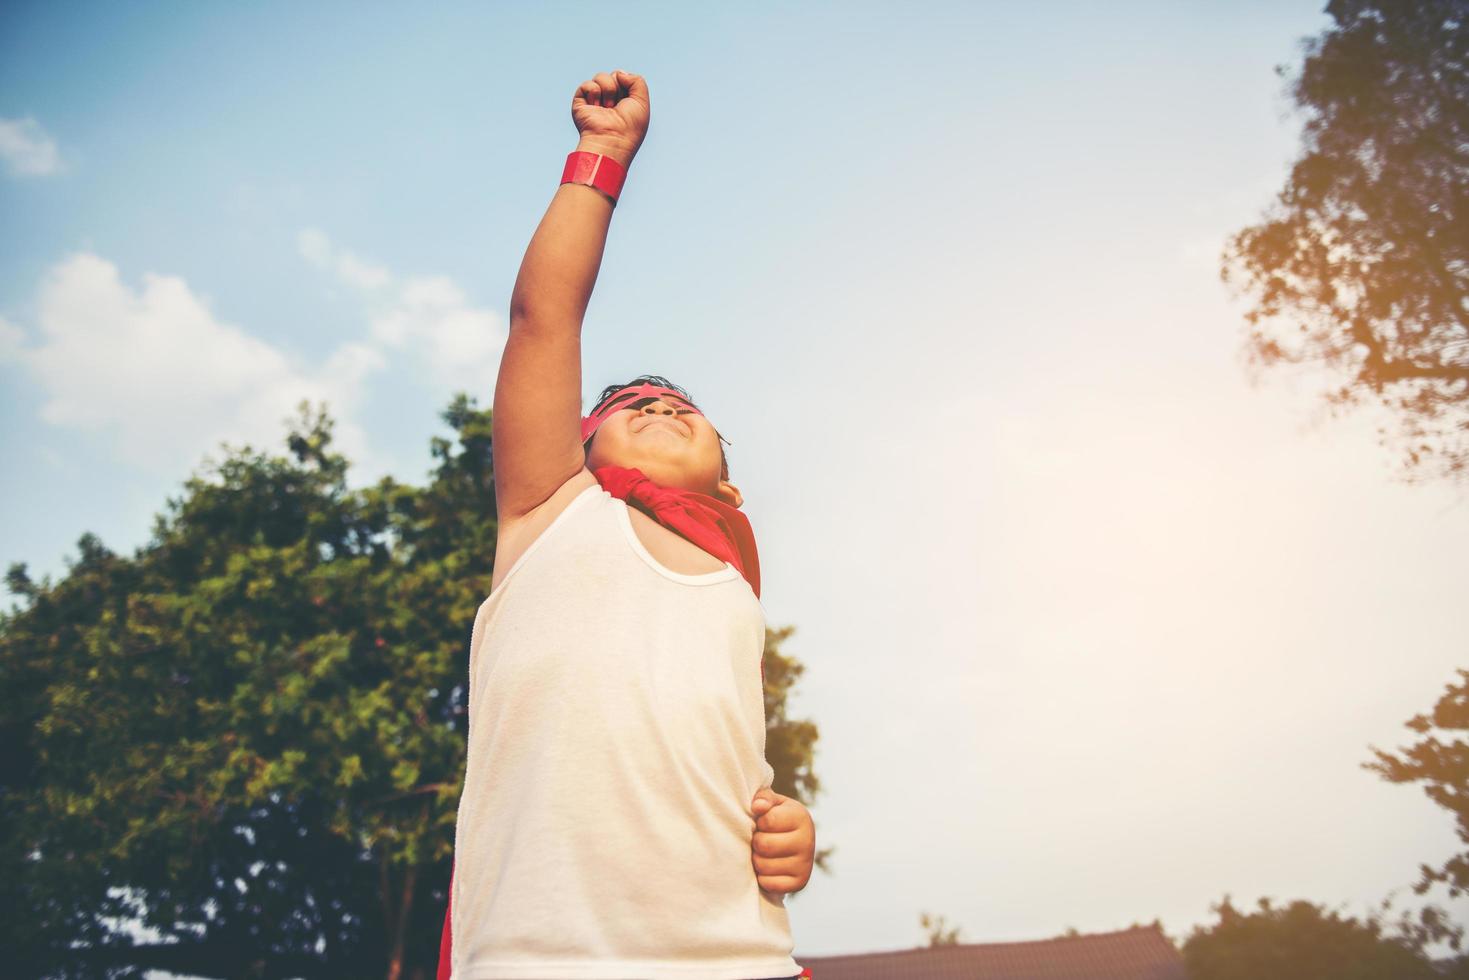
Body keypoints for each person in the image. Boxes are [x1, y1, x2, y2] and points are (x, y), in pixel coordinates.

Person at [438, 70, 814, 980]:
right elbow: (542, 320)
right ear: (577, 444)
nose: (655, 401)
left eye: (681, 405)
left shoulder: (732, 581)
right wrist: (600, 157)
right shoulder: (549, 511)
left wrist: (787, 829)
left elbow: (723, 767)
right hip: (540, 958)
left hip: (737, 961)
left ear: (728, 483)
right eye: (625, 402)